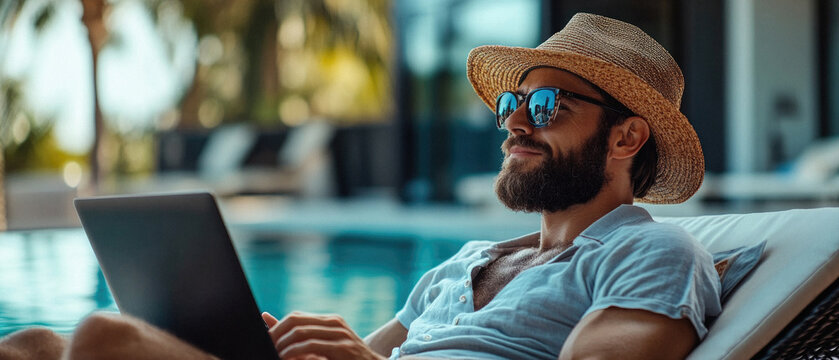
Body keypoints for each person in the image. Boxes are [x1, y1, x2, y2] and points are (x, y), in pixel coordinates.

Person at [0, 12, 721, 360]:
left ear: (627, 137)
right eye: (511, 105)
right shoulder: (464, 262)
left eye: (544, 106)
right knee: (30, 344)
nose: (513, 125)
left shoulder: (649, 257)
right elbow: (370, 357)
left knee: (101, 338)